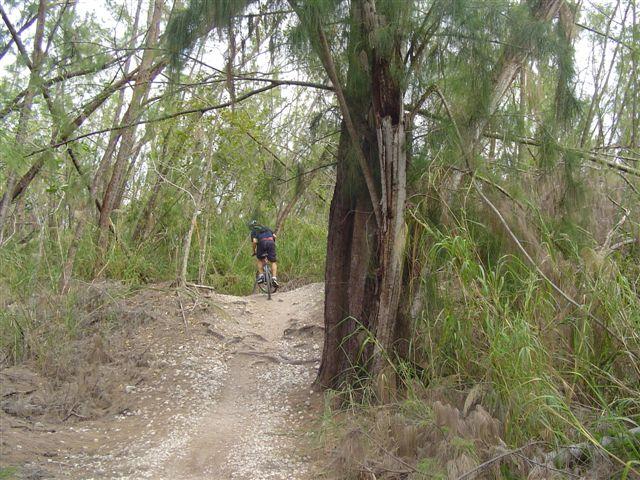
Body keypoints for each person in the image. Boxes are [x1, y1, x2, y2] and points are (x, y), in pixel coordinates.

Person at [249, 220, 278, 287]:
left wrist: (254, 251)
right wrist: (272, 243)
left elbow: (254, 241)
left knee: (260, 259)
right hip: (271, 242)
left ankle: (262, 276)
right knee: (273, 261)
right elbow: (275, 236)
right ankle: (274, 278)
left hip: (262, 243)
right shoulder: (267, 228)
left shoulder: (254, 231)